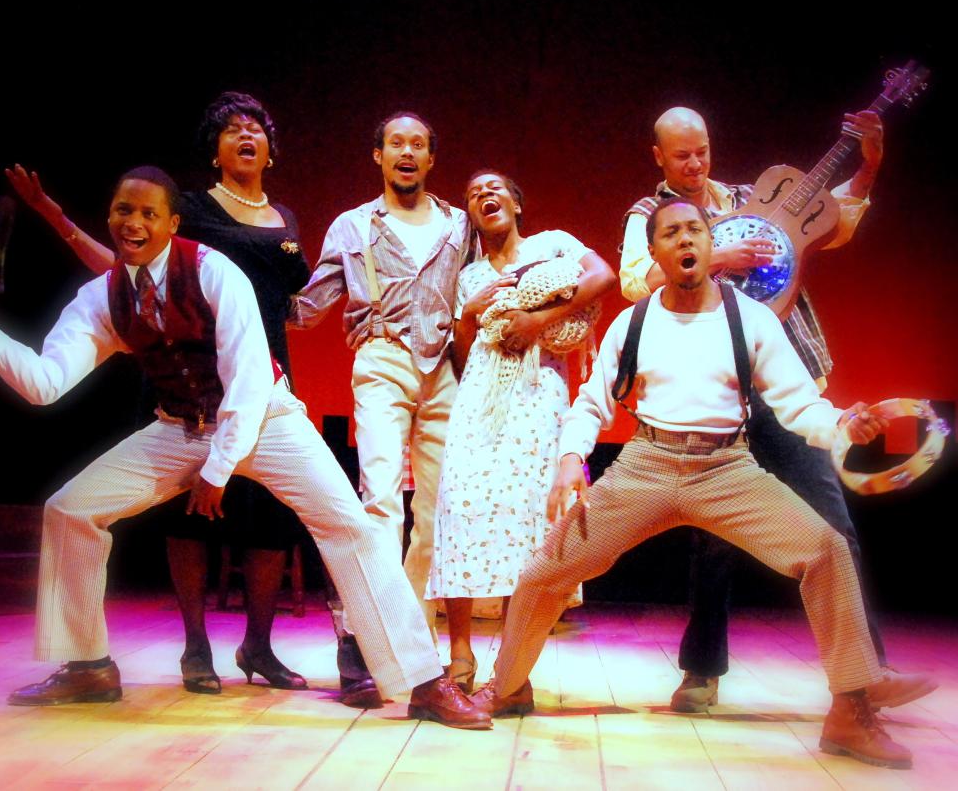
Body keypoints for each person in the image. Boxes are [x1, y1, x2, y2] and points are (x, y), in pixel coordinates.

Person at [0, 166, 490, 730]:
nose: (133, 223)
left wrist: (219, 469)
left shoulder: (213, 272)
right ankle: (88, 667)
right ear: (109, 219)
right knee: (70, 509)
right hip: (181, 427)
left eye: (148, 213)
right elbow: (45, 382)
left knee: (350, 527)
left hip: (268, 420)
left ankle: (424, 682)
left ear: (172, 223)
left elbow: (249, 384)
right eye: (123, 212)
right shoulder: (102, 298)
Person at [471, 197, 920, 768]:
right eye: (672, 234)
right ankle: (509, 686)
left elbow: (798, 403)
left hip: (726, 470)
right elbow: (591, 403)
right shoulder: (634, 321)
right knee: (542, 572)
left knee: (826, 549)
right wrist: (568, 460)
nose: (685, 241)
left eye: (695, 231)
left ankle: (850, 713)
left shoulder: (750, 318)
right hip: (647, 465)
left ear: (710, 245)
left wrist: (841, 424)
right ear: (655, 252)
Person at [619, 106, 935, 712]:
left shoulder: (750, 199)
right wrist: (716, 259)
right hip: (712, 391)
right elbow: (636, 280)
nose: (695, 162)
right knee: (713, 539)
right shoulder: (652, 217)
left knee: (832, 518)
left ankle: (866, 671)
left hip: (785, 380)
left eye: (702, 149)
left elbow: (831, 223)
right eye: (681, 154)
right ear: (658, 156)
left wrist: (867, 171)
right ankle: (701, 673)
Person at [6, 92, 310, 695]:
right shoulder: (188, 210)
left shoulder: (286, 220)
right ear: (215, 149)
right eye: (231, 129)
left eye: (256, 128)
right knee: (188, 515)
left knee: (269, 521)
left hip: (260, 370)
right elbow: (121, 267)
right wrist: (55, 217)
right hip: (186, 377)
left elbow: (294, 305)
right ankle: (196, 649)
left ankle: (259, 645)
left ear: (271, 151)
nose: (246, 135)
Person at [290, 112, 469, 706]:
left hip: (443, 365)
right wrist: (246, 289)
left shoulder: (458, 225)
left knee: (438, 514)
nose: (407, 152)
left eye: (419, 144)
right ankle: (363, 639)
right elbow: (308, 304)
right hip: (382, 354)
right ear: (379, 155)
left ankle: (409, 641)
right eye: (397, 143)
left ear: (431, 158)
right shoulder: (352, 226)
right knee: (381, 502)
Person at [426, 170, 615, 690]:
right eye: (473, 192)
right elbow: (464, 360)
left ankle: (513, 667)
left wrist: (540, 319)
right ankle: (459, 654)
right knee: (458, 509)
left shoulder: (553, 245)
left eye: (496, 188)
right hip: (479, 399)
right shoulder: (469, 275)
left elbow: (604, 276)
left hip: (537, 392)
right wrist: (467, 315)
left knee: (527, 522)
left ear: (517, 201)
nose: (485, 194)